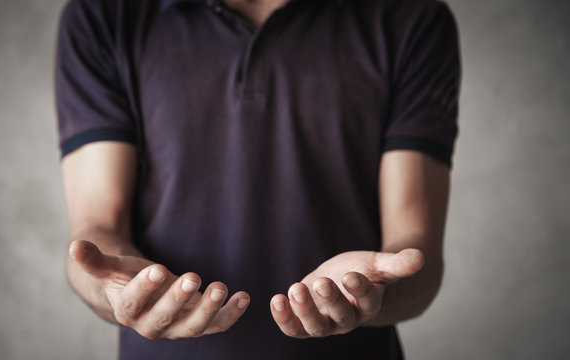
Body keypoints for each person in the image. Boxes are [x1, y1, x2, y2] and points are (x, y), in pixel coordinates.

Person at [55, 0, 460, 358]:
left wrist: (375, 292)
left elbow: (413, 255)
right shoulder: (103, 14)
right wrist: (116, 288)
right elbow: (98, 229)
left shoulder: (412, 18)